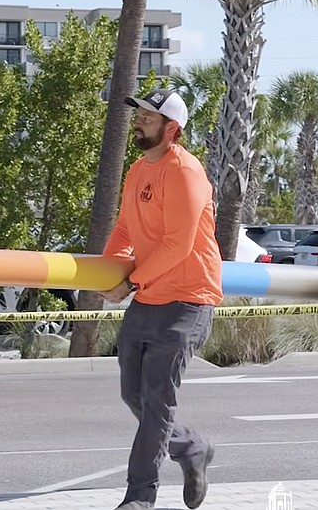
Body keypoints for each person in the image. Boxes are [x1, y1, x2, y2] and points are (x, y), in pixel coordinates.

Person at [100, 89, 222, 510]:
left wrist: (129, 283)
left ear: (172, 129)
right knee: (133, 394)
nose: (139, 121)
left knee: (156, 400)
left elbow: (179, 245)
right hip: (148, 296)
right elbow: (123, 230)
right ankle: (191, 448)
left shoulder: (186, 171)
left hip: (188, 299)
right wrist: (110, 271)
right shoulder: (137, 170)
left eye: (149, 117)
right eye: (139, 115)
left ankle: (140, 497)